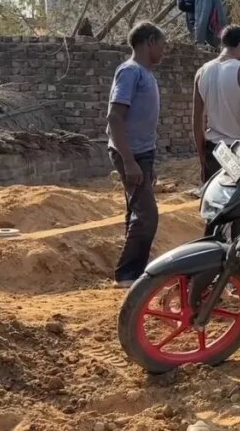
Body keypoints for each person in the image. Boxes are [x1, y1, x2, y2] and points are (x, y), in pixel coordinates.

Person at [107, 22, 167, 288]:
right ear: (150, 41)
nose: (164, 51)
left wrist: (148, 163)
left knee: (137, 211)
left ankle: (132, 272)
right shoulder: (130, 72)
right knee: (147, 215)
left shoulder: (146, 74)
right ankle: (128, 274)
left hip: (143, 153)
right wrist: (129, 161)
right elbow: (114, 117)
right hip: (130, 153)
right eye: (162, 45)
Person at [193, 25, 240, 183]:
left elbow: (197, 121)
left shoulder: (201, 72)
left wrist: (202, 159)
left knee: (217, 196)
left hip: (214, 151)